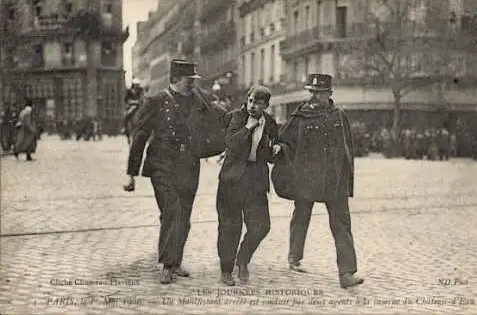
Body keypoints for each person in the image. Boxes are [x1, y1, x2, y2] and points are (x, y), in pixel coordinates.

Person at [124, 60, 207, 284]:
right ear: (175, 80)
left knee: (184, 216)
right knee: (172, 209)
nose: (192, 85)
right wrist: (131, 173)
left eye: (193, 81)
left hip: (188, 165)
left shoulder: (199, 100)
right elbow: (140, 136)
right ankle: (167, 264)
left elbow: (218, 120)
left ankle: (176, 262)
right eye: (189, 81)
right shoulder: (156, 101)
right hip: (162, 165)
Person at [277, 73, 364, 289]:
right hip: (307, 179)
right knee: (301, 216)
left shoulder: (339, 116)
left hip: (334, 181)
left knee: (342, 225)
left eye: (320, 93)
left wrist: (347, 180)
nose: (314, 96)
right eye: (312, 92)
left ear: (329, 94)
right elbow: (285, 142)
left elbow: (348, 150)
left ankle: (346, 273)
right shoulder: (300, 116)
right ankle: (294, 257)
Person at [216, 86, 281, 286]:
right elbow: (231, 143)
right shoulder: (237, 117)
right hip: (232, 180)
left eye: (258, 103)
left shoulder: (270, 123)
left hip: (256, 180)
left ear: (266, 105)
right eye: (251, 101)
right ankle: (226, 270)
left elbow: (269, 152)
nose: (252, 106)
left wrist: (277, 149)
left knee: (261, 226)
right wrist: (248, 128)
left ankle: (242, 259)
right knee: (229, 227)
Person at [122, 78, 144, 144]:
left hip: (139, 106)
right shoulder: (129, 91)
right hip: (131, 106)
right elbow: (126, 100)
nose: (137, 86)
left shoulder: (141, 90)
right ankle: (125, 128)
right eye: (136, 85)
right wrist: (132, 102)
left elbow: (142, 98)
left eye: (138, 85)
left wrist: (140, 101)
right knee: (127, 115)